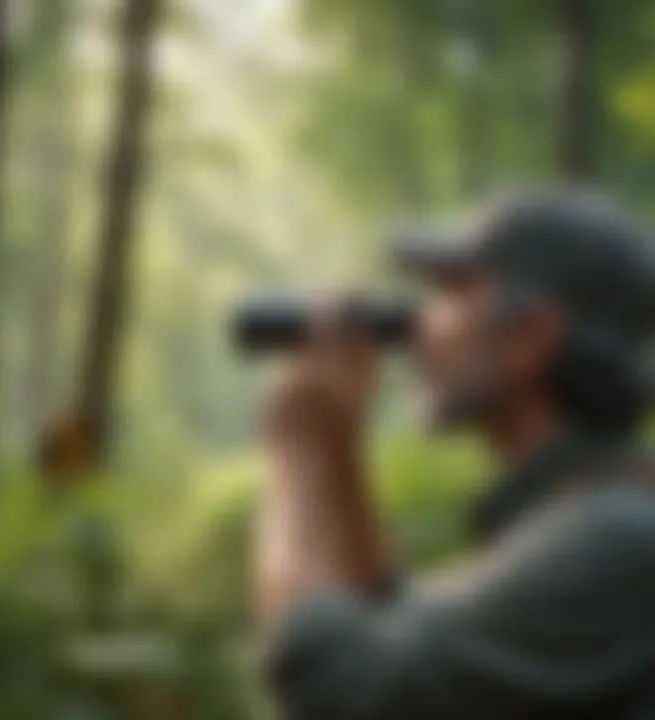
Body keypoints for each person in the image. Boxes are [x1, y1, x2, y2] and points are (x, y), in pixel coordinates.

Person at [253, 189, 655, 719]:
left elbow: (342, 692)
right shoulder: (578, 510)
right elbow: (397, 644)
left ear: (528, 337)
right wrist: (335, 451)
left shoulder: (615, 537)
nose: (419, 325)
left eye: (451, 291)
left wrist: (300, 449)